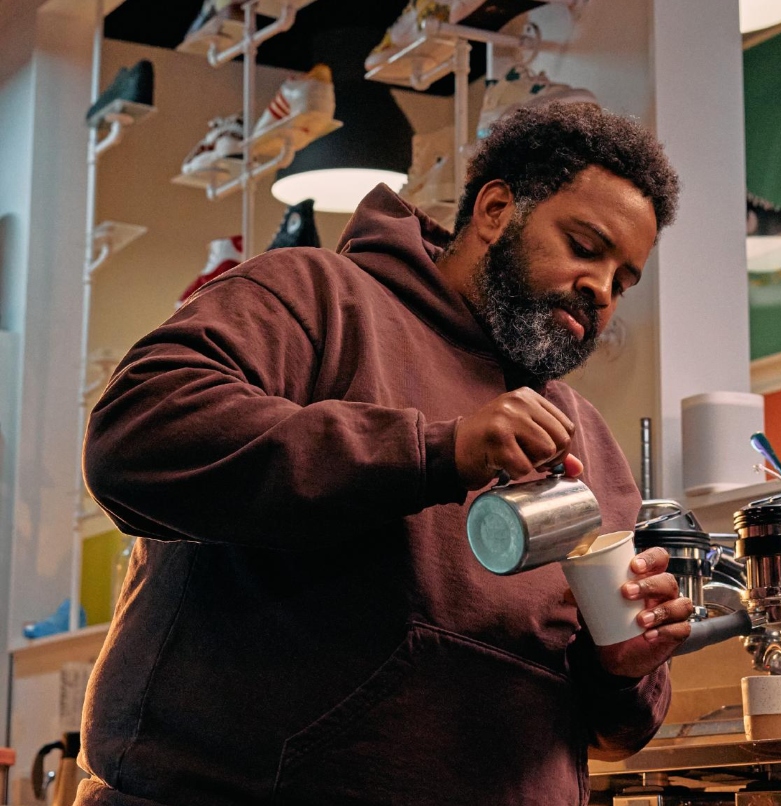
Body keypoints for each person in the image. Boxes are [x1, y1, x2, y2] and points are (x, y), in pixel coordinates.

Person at [79, 102, 686, 806]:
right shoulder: (316, 298)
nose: (600, 291)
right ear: (494, 210)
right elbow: (137, 435)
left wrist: (623, 670)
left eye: (622, 280)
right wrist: (435, 451)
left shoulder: (590, 447)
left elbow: (609, 736)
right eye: (584, 246)